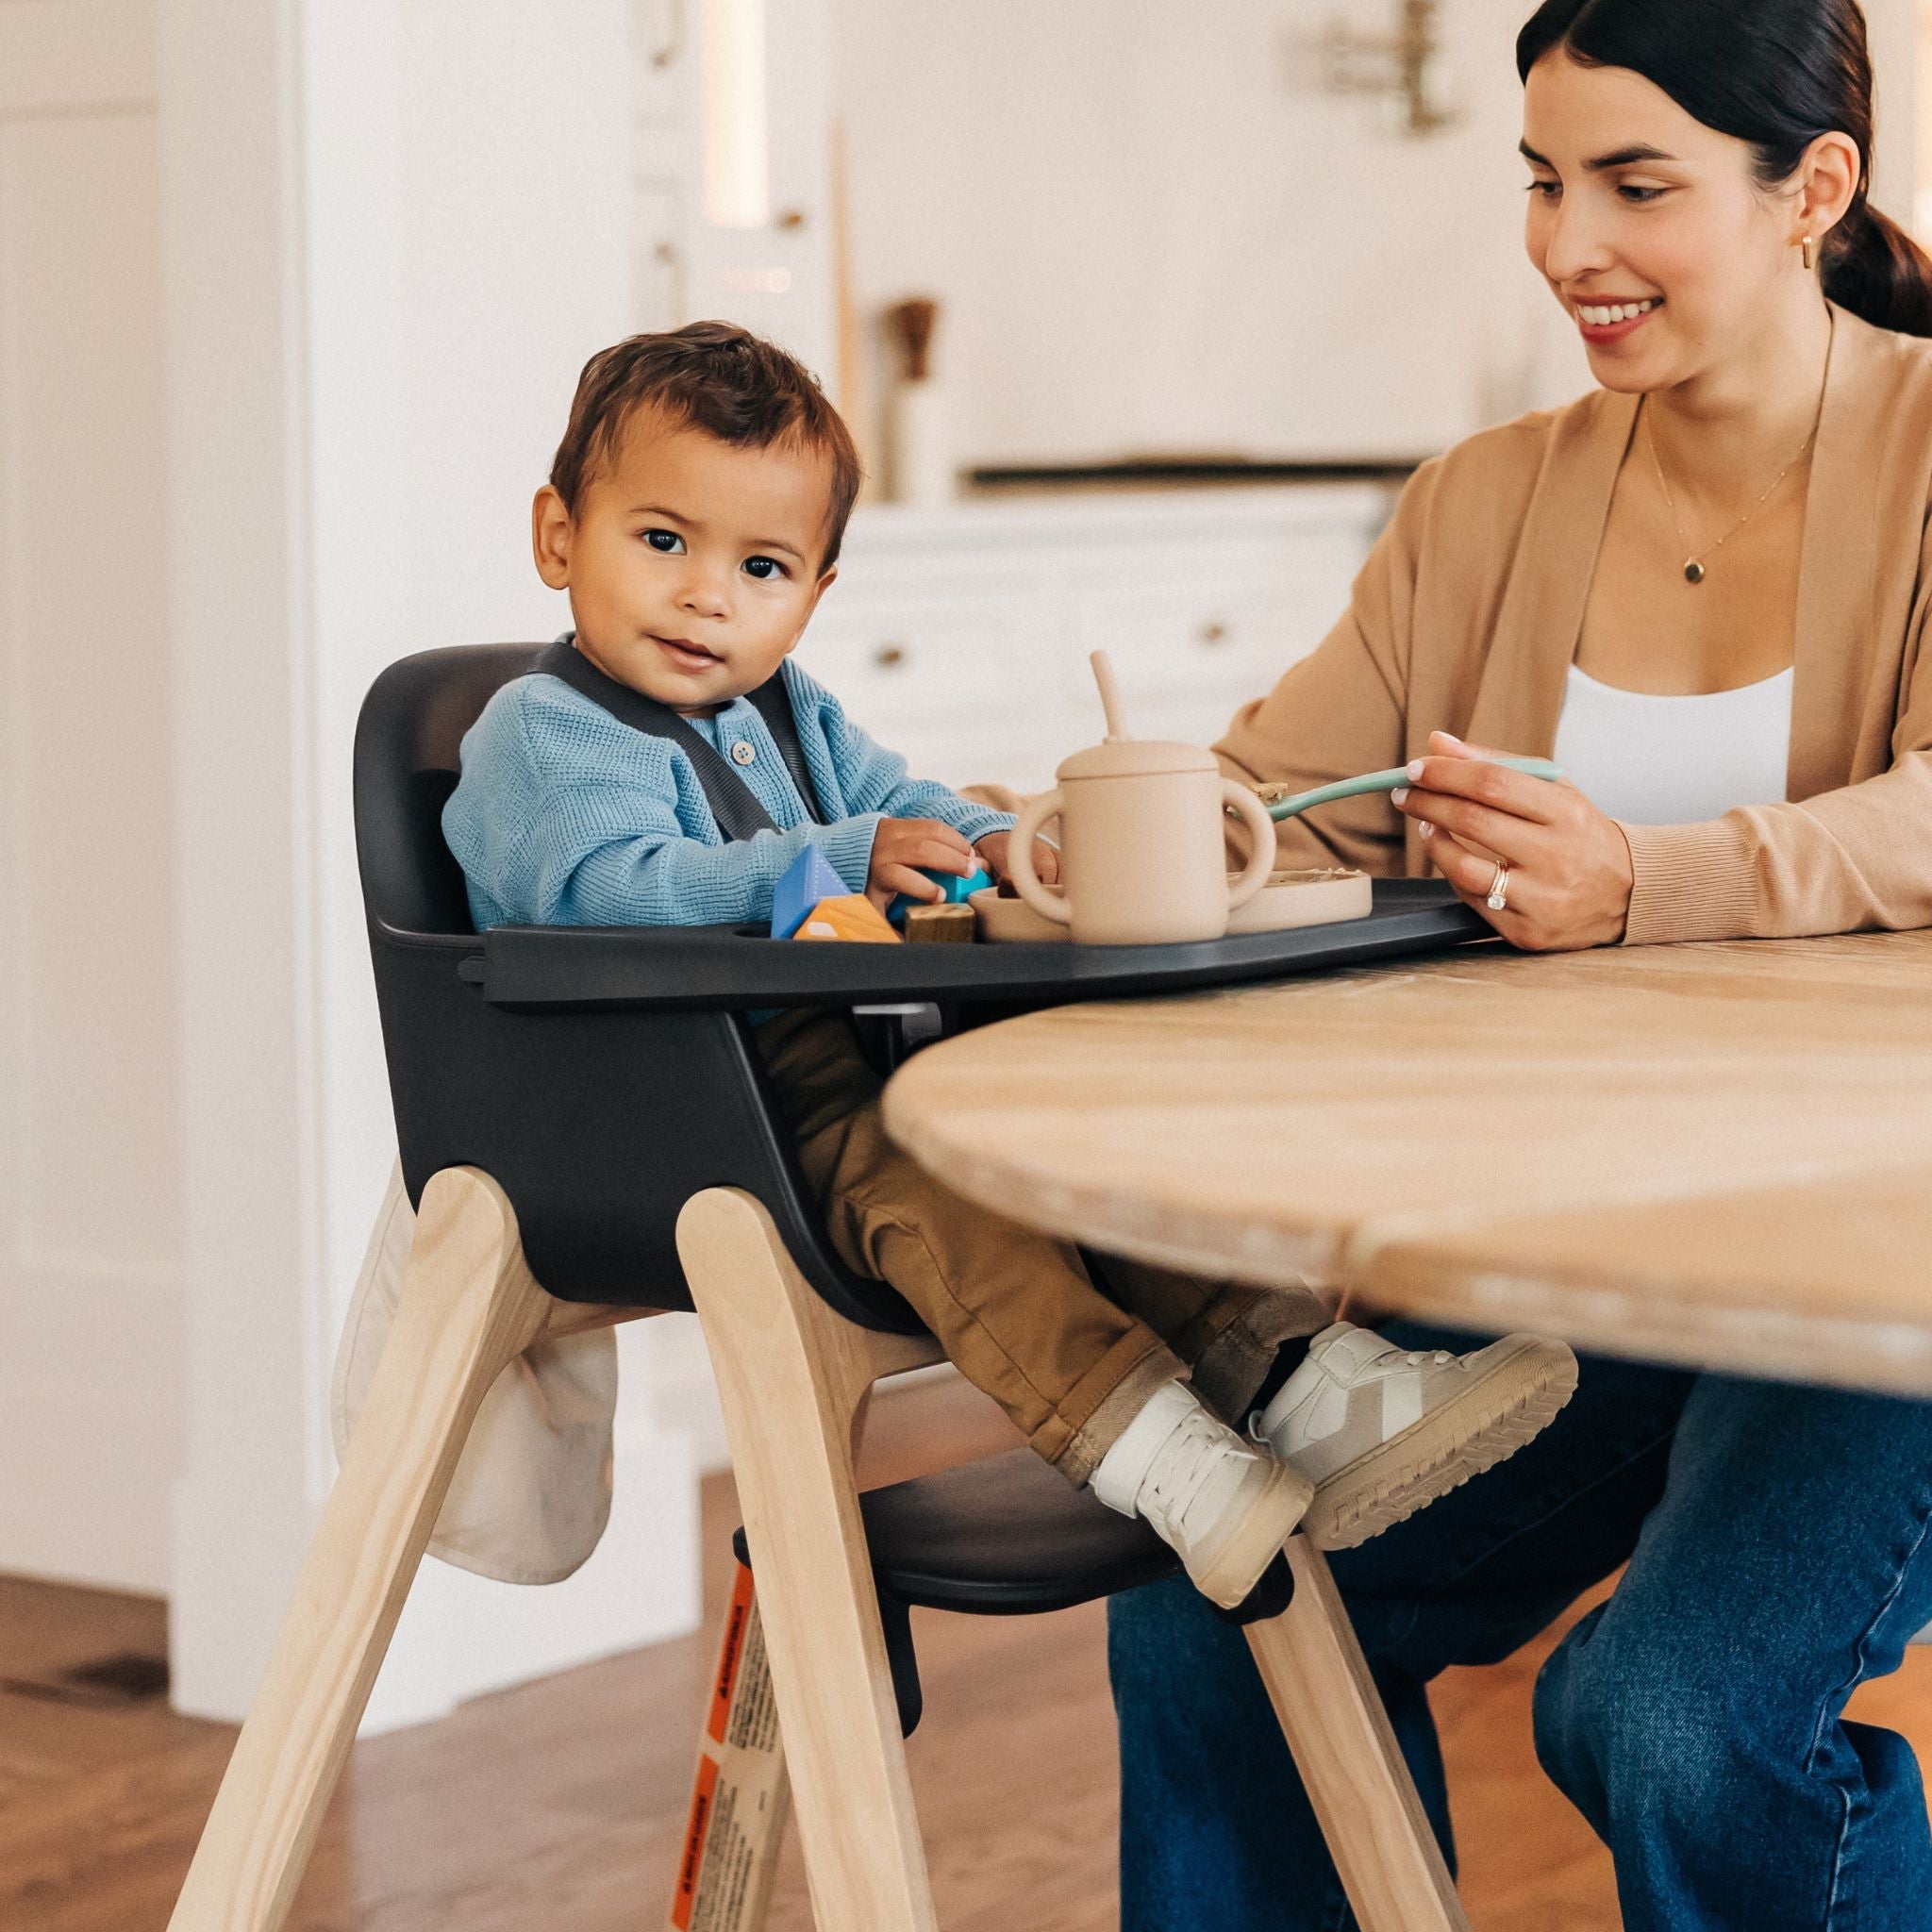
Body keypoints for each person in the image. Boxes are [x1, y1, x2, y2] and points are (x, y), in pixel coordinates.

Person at [1108, 2, 1932, 1926]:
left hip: (1883, 1271)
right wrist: (1095, 833)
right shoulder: (1482, 502)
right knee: (1220, 1603)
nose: (1568, 245)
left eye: (1634, 184)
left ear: (1811, 188)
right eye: (1543, 182)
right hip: (1574, 1256)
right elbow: (1279, 800)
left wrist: (1652, 878)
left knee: (1672, 1707)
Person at [441, 321, 1576, 1614]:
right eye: (663, 542)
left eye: (762, 566)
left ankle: (1305, 1380)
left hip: (832, 1060)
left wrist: (1026, 844)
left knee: (1054, 1134)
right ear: (557, 538)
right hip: (678, 1110)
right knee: (939, 1188)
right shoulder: (544, 731)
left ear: (813, 593)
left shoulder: (787, 709)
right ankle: (1157, 1448)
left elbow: (909, 798)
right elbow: (601, 895)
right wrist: (832, 863)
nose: (710, 595)